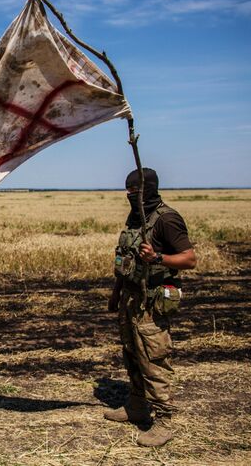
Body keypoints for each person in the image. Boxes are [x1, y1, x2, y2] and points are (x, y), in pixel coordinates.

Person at [106, 168, 197, 447]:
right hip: (130, 298)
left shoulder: (167, 219)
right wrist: (116, 292)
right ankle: (136, 404)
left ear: (147, 190)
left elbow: (190, 259)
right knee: (131, 352)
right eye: (128, 191)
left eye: (134, 191)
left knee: (153, 357)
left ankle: (165, 419)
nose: (130, 196)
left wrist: (158, 257)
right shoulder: (136, 219)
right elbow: (126, 261)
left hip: (152, 301)